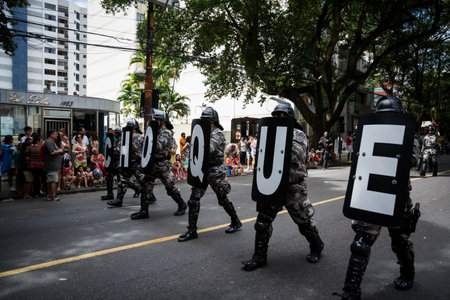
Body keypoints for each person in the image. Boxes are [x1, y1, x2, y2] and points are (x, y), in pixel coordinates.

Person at [341, 95, 418, 299]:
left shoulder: (407, 132)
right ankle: (351, 290)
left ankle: (407, 273)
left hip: (396, 197)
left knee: (400, 241)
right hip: (370, 193)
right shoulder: (366, 132)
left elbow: (413, 160)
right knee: (361, 244)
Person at [241, 103, 324, 271]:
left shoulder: (298, 134)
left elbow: (296, 154)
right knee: (263, 221)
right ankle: (259, 256)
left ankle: (317, 246)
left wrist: (278, 142)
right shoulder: (268, 133)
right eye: (276, 116)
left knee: (304, 222)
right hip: (272, 183)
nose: (278, 118)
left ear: (290, 118)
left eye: (282, 116)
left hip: (293, 186)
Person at [179, 107, 242, 242]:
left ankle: (236, 221)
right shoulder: (203, 133)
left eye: (207, 120)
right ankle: (192, 230)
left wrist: (194, 141)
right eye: (203, 120)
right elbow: (192, 149)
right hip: (201, 168)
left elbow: (209, 149)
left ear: (213, 121)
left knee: (222, 198)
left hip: (215, 171)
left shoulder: (217, 134)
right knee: (194, 199)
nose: (204, 122)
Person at [131, 112, 187, 219]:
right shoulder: (156, 132)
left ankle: (182, 204)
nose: (155, 121)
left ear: (162, 121)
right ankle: (144, 211)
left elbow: (157, 146)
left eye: (157, 120)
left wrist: (148, 138)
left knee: (171, 188)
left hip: (162, 166)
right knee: (145, 186)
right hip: (152, 164)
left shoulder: (166, 133)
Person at [107, 120, 147, 208]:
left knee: (143, 182)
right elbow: (120, 149)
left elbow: (135, 149)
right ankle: (119, 200)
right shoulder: (125, 137)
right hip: (127, 162)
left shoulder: (138, 137)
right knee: (123, 181)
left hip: (136, 163)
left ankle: (150, 197)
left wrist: (128, 143)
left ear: (133, 128)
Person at [101, 127, 122, 201]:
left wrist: (111, 150)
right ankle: (110, 194)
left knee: (122, 181)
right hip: (114, 163)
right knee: (109, 177)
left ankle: (137, 189)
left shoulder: (121, 141)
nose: (114, 134)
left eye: (115, 133)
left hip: (119, 163)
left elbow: (118, 151)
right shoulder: (116, 141)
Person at [43, 130, 64, 201]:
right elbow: (52, 152)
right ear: (51, 135)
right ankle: (53, 195)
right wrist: (59, 151)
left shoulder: (52, 142)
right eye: (55, 134)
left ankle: (50, 195)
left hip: (53, 164)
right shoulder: (48, 142)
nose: (57, 135)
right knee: (53, 181)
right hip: (52, 165)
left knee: (51, 180)